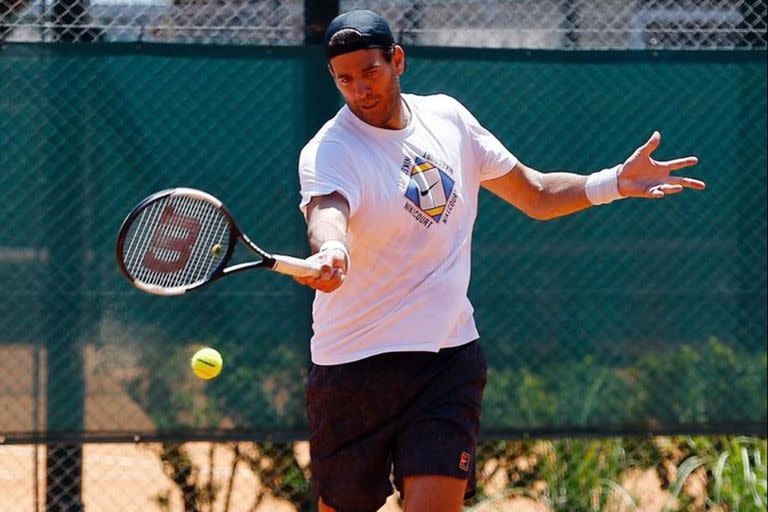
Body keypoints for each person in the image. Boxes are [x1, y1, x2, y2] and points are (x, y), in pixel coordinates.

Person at [294, 9, 705, 512]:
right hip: (355, 367)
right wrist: (332, 248)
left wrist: (615, 181)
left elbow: (535, 193)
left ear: (397, 60)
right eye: (346, 80)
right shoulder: (329, 150)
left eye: (370, 72)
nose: (360, 89)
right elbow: (327, 210)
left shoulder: (448, 118)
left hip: (447, 358)